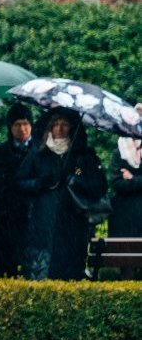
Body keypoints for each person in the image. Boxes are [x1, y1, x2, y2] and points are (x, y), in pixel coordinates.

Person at [16, 107, 106, 281]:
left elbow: (99, 185)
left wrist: (77, 181)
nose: (59, 128)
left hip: (73, 223)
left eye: (64, 124)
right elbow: (19, 183)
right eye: (55, 124)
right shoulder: (38, 153)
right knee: (41, 274)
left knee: (69, 273)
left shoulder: (83, 155)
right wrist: (39, 183)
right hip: (43, 222)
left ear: (72, 127)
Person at [0, 105, 34, 278]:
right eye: (17, 124)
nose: (22, 129)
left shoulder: (39, 151)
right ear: (10, 127)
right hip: (4, 216)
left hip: (30, 215)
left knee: (31, 269)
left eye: (26, 124)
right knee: (5, 270)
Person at [110, 136, 142, 277]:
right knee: (127, 263)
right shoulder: (119, 152)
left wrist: (133, 179)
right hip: (125, 217)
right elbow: (117, 184)